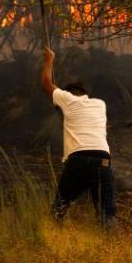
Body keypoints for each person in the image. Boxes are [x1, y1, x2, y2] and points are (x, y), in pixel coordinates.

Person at [42, 47, 115, 226]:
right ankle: (110, 245)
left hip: (79, 159)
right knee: (106, 214)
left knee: (59, 208)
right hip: (103, 160)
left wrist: (49, 59)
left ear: (69, 94)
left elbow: (46, 84)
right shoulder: (100, 104)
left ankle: (54, 237)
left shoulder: (68, 100)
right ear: (85, 94)